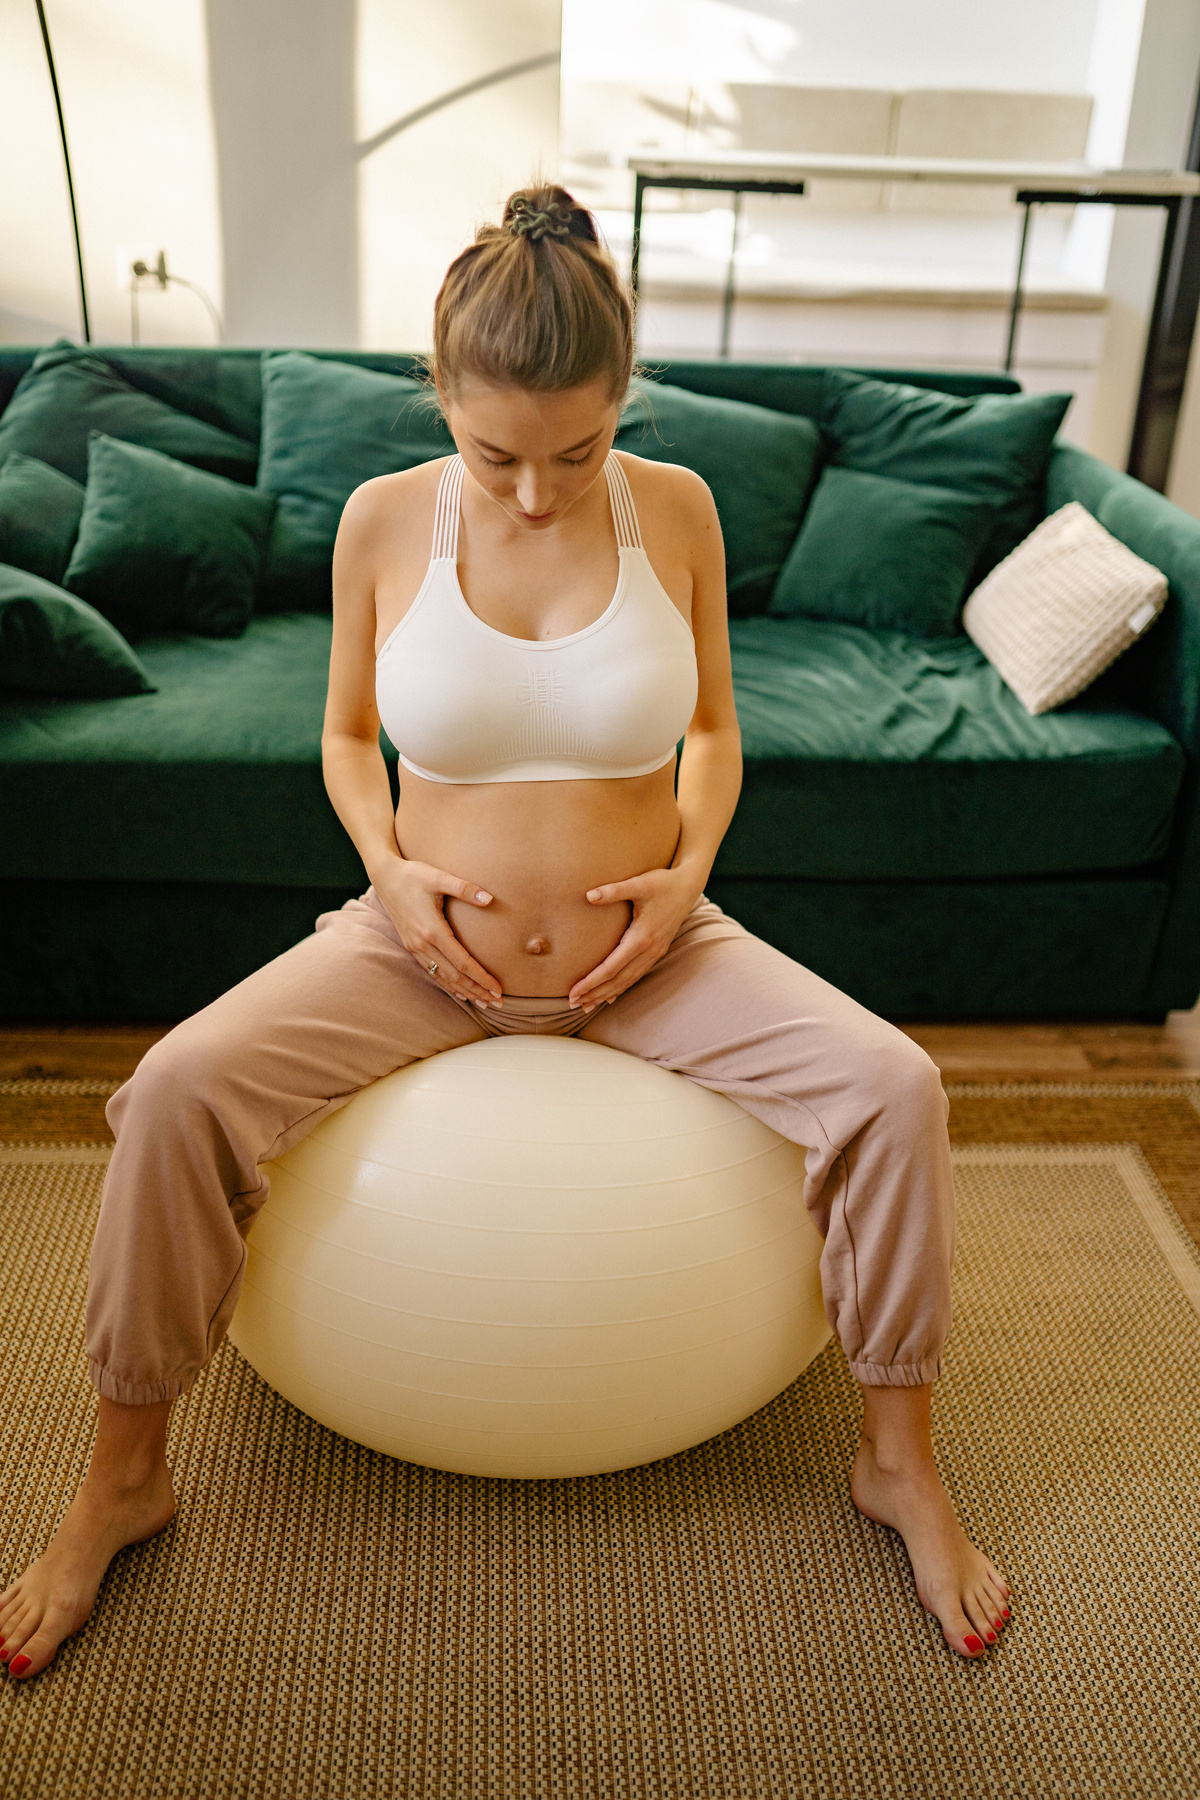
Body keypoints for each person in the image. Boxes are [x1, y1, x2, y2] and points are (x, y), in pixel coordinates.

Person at [0, 186, 1009, 1681]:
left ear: (624, 403)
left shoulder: (678, 506)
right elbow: (347, 736)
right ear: (440, 398)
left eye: (578, 450)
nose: (537, 493)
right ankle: (123, 1476)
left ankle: (898, 1460)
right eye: (496, 454)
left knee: (895, 1089)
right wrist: (392, 876)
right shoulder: (381, 519)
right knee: (171, 1094)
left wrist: (686, 876)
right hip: (420, 946)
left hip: (656, 950)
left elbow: (718, 731)